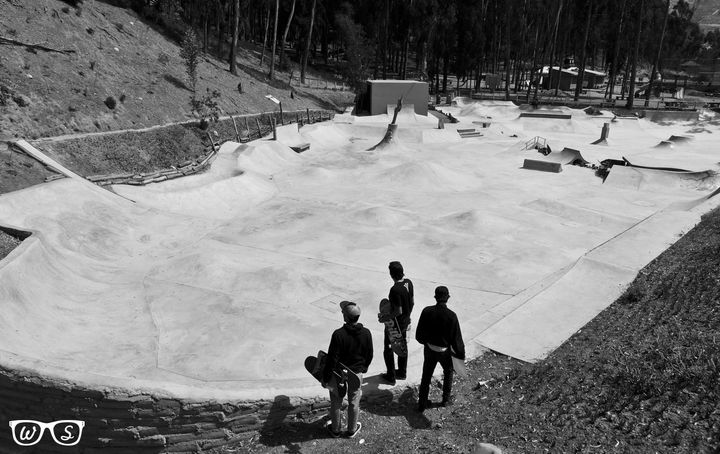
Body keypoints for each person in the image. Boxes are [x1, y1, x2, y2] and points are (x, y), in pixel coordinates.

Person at [323, 301, 373, 438]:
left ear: (345, 317)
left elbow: (332, 359)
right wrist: (364, 368)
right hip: (356, 373)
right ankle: (351, 429)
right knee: (354, 400)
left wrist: (326, 378)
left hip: (339, 372)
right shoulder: (366, 333)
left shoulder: (338, 334)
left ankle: (335, 429)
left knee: (336, 400)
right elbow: (370, 354)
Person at [415, 286, 465, 412]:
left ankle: (422, 403)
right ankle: (445, 400)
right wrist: (460, 355)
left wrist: (426, 343)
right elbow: (456, 339)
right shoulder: (452, 316)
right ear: (447, 298)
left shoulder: (427, 311)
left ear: (435, 297)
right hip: (444, 351)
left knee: (426, 375)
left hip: (430, 349)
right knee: (448, 373)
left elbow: (419, 335)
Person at [380, 261, 414, 385]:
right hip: (406, 322)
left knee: (388, 348)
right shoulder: (408, 283)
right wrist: (408, 315)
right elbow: (412, 302)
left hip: (395, 325)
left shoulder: (394, 290)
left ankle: (391, 376)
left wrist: (385, 318)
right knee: (402, 345)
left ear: (391, 274)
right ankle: (402, 372)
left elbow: (398, 310)